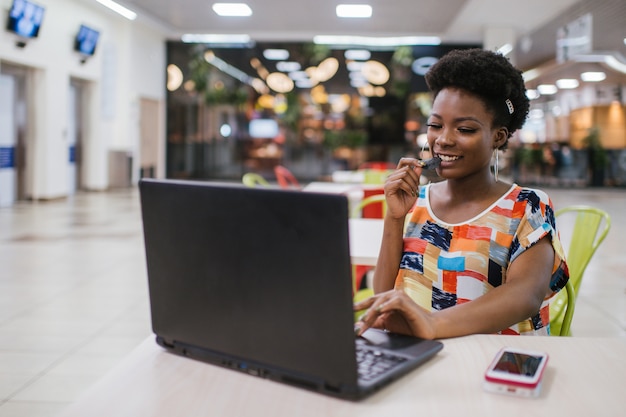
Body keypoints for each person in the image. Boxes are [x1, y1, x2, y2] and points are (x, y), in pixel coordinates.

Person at [354, 48, 569, 339]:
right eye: (435, 125)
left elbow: (524, 296)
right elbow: (385, 292)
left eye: (465, 129)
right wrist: (394, 218)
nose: (442, 140)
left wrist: (432, 324)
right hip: (423, 358)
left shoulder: (526, 207)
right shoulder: (416, 200)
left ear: (498, 136)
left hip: (496, 363)